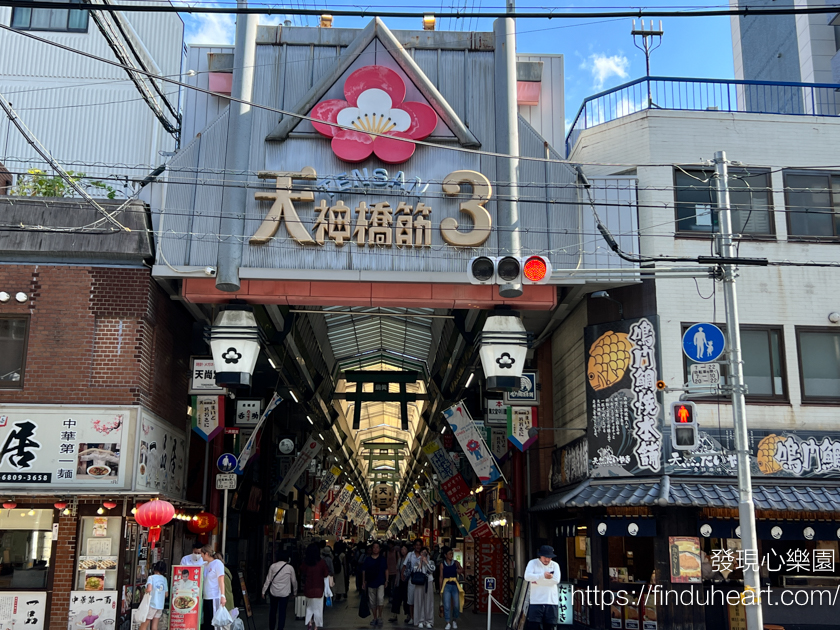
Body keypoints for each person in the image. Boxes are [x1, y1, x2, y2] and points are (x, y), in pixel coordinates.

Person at [523, 545, 562, 630]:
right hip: (535, 601)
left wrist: (536, 581)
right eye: (545, 557)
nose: (547, 560)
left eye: (549, 557)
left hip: (551, 601)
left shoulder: (555, 565)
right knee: (533, 626)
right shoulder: (532, 563)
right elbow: (527, 577)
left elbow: (556, 580)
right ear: (540, 556)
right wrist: (543, 575)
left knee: (550, 626)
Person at [263, 551, 297, 630]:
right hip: (284, 593)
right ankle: (280, 628)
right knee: (282, 612)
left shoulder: (273, 566)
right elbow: (294, 581)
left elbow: (268, 580)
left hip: (273, 592)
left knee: (272, 611)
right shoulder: (290, 568)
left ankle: (271, 627)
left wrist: (263, 591)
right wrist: (295, 592)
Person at [301, 543, 330, 630]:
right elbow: (326, 574)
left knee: (309, 607)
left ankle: (309, 621)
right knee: (318, 609)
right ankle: (316, 626)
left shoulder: (306, 563)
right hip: (319, 589)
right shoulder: (321, 563)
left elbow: (301, 571)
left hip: (308, 588)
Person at [361, 542, 389, 627]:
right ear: (371, 549)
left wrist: (386, 580)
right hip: (370, 582)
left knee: (380, 599)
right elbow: (364, 571)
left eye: (377, 547)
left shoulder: (382, 559)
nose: (375, 549)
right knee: (372, 601)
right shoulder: (368, 559)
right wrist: (363, 582)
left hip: (380, 581)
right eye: (374, 547)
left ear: (379, 549)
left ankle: (380, 616)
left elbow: (386, 570)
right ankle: (375, 617)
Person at [200, 545, 226, 630]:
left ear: (206, 554)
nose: (201, 556)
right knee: (207, 621)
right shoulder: (204, 565)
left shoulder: (217, 563)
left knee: (214, 622)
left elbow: (221, 580)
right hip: (205, 596)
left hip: (214, 596)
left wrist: (223, 595)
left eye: (201, 554)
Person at [411, 547, 435, 629]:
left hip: (428, 582)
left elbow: (432, 570)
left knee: (429, 602)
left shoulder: (431, 562)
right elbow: (415, 572)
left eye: (425, 553)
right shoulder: (417, 562)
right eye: (422, 553)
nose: (424, 555)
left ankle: (428, 620)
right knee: (419, 601)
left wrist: (426, 562)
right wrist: (420, 563)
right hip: (419, 583)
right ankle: (420, 620)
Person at [140, 562, 168, 630]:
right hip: (160, 606)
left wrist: (144, 590)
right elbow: (166, 594)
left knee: (144, 624)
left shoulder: (151, 577)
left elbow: (149, 589)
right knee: (154, 626)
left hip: (152, 604)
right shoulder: (164, 579)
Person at [439, 548, 462, 630]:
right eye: (449, 554)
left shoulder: (456, 563)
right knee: (447, 605)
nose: (451, 555)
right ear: (445, 555)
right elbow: (441, 577)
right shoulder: (442, 564)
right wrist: (441, 588)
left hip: (454, 585)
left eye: (452, 553)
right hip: (446, 585)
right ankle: (448, 622)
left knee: (456, 604)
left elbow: (461, 570)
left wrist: (459, 570)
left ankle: (455, 620)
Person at [403, 539, 424, 625]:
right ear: (414, 546)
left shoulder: (424, 555)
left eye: (419, 545)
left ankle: (419, 618)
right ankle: (412, 617)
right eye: (417, 545)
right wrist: (402, 575)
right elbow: (405, 565)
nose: (418, 546)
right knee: (411, 600)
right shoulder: (410, 555)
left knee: (420, 600)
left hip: (421, 580)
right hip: (412, 579)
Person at [388, 544, 410, 623]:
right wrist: (396, 581)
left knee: (406, 599)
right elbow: (397, 570)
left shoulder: (409, 559)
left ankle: (408, 615)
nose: (403, 551)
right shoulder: (400, 559)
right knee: (396, 598)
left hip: (407, 581)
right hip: (400, 581)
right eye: (402, 549)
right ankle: (395, 614)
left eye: (404, 549)